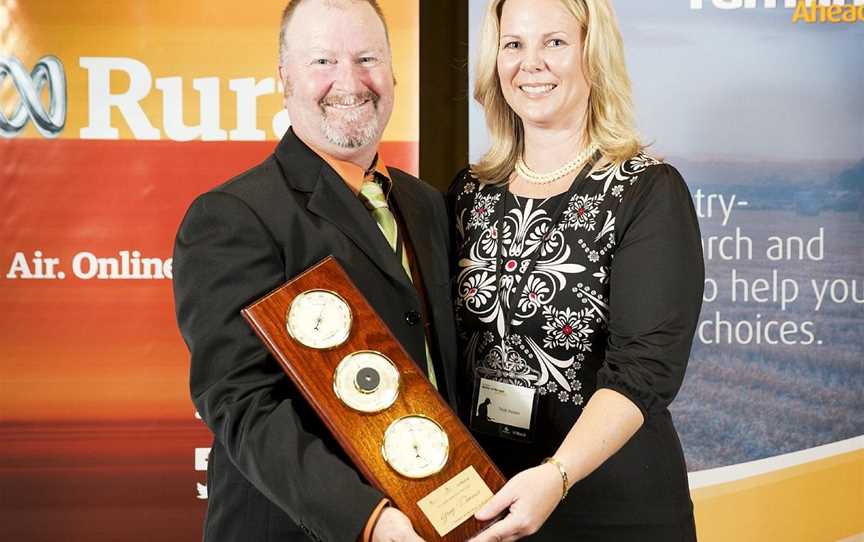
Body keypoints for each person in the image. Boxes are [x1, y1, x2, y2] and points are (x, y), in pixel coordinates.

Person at [172, 1, 457, 540]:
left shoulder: (424, 205)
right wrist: (370, 522)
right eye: (322, 61)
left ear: (394, 72)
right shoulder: (232, 217)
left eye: (367, 57)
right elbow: (243, 404)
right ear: (284, 78)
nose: (349, 81)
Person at [449, 0, 704, 540]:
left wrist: (556, 475)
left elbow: (645, 370)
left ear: (594, 55)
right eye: (514, 44)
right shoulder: (467, 193)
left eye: (555, 43)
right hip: (487, 500)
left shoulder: (645, 190)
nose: (530, 62)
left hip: (611, 506)